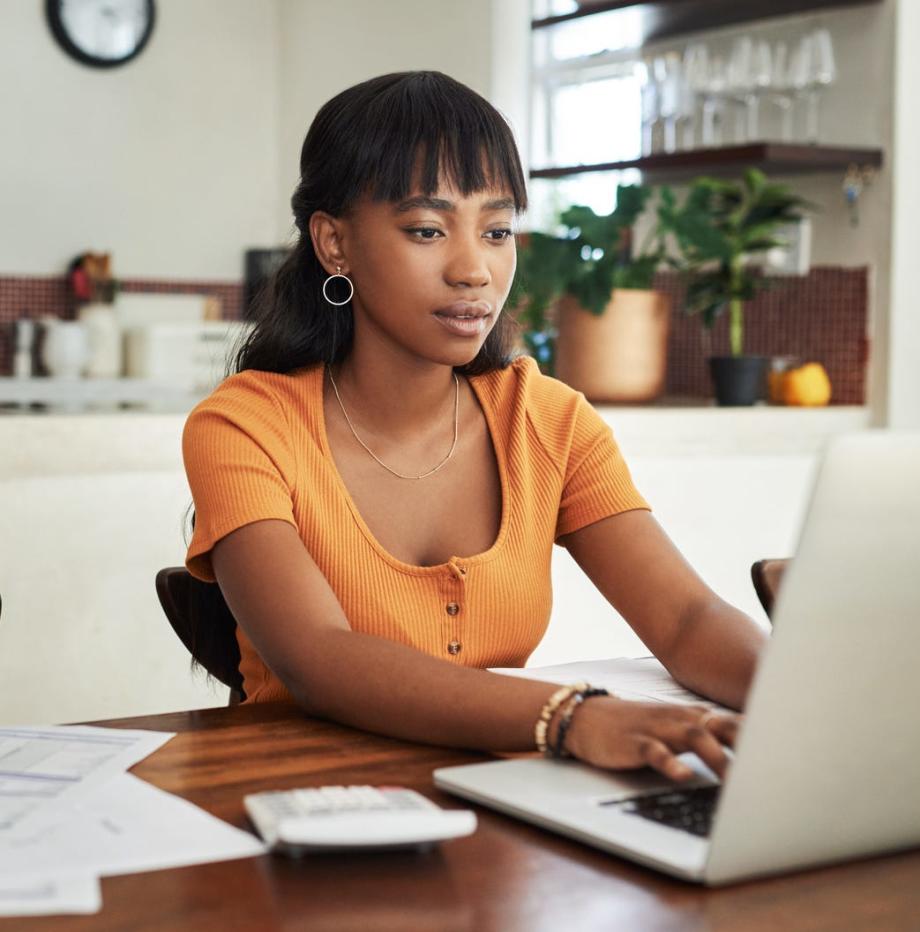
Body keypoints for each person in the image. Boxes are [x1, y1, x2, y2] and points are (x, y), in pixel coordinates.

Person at [182, 71, 766, 783]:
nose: (474, 270)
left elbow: (686, 621)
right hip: (299, 815)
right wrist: (570, 717)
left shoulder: (547, 421)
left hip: (502, 809)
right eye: (427, 230)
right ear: (335, 245)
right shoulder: (246, 425)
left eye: (497, 231)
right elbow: (319, 659)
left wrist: (808, 702)